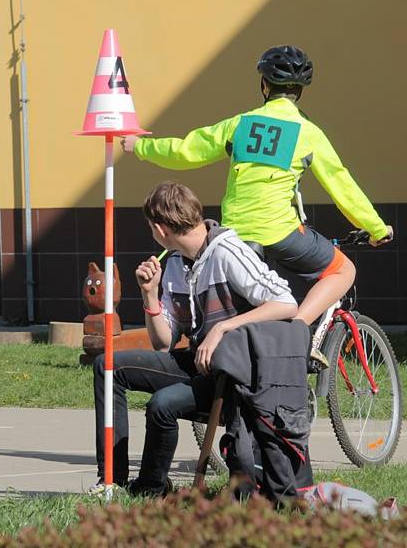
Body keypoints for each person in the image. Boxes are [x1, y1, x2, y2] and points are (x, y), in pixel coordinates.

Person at [121, 45, 393, 333]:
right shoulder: (308, 133)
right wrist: (376, 229)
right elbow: (342, 185)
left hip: (235, 236)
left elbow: (187, 151)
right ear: (299, 91)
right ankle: (297, 330)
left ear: (264, 85)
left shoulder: (240, 125)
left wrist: (140, 146)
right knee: (342, 270)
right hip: (280, 232)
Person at [91, 181, 298, 496]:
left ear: (160, 230)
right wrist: (149, 296)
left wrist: (223, 328)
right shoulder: (175, 262)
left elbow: (286, 302)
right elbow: (163, 342)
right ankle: (112, 481)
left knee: (162, 405)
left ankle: (150, 489)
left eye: (150, 226)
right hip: (201, 363)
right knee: (108, 367)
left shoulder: (228, 251)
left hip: (236, 373)